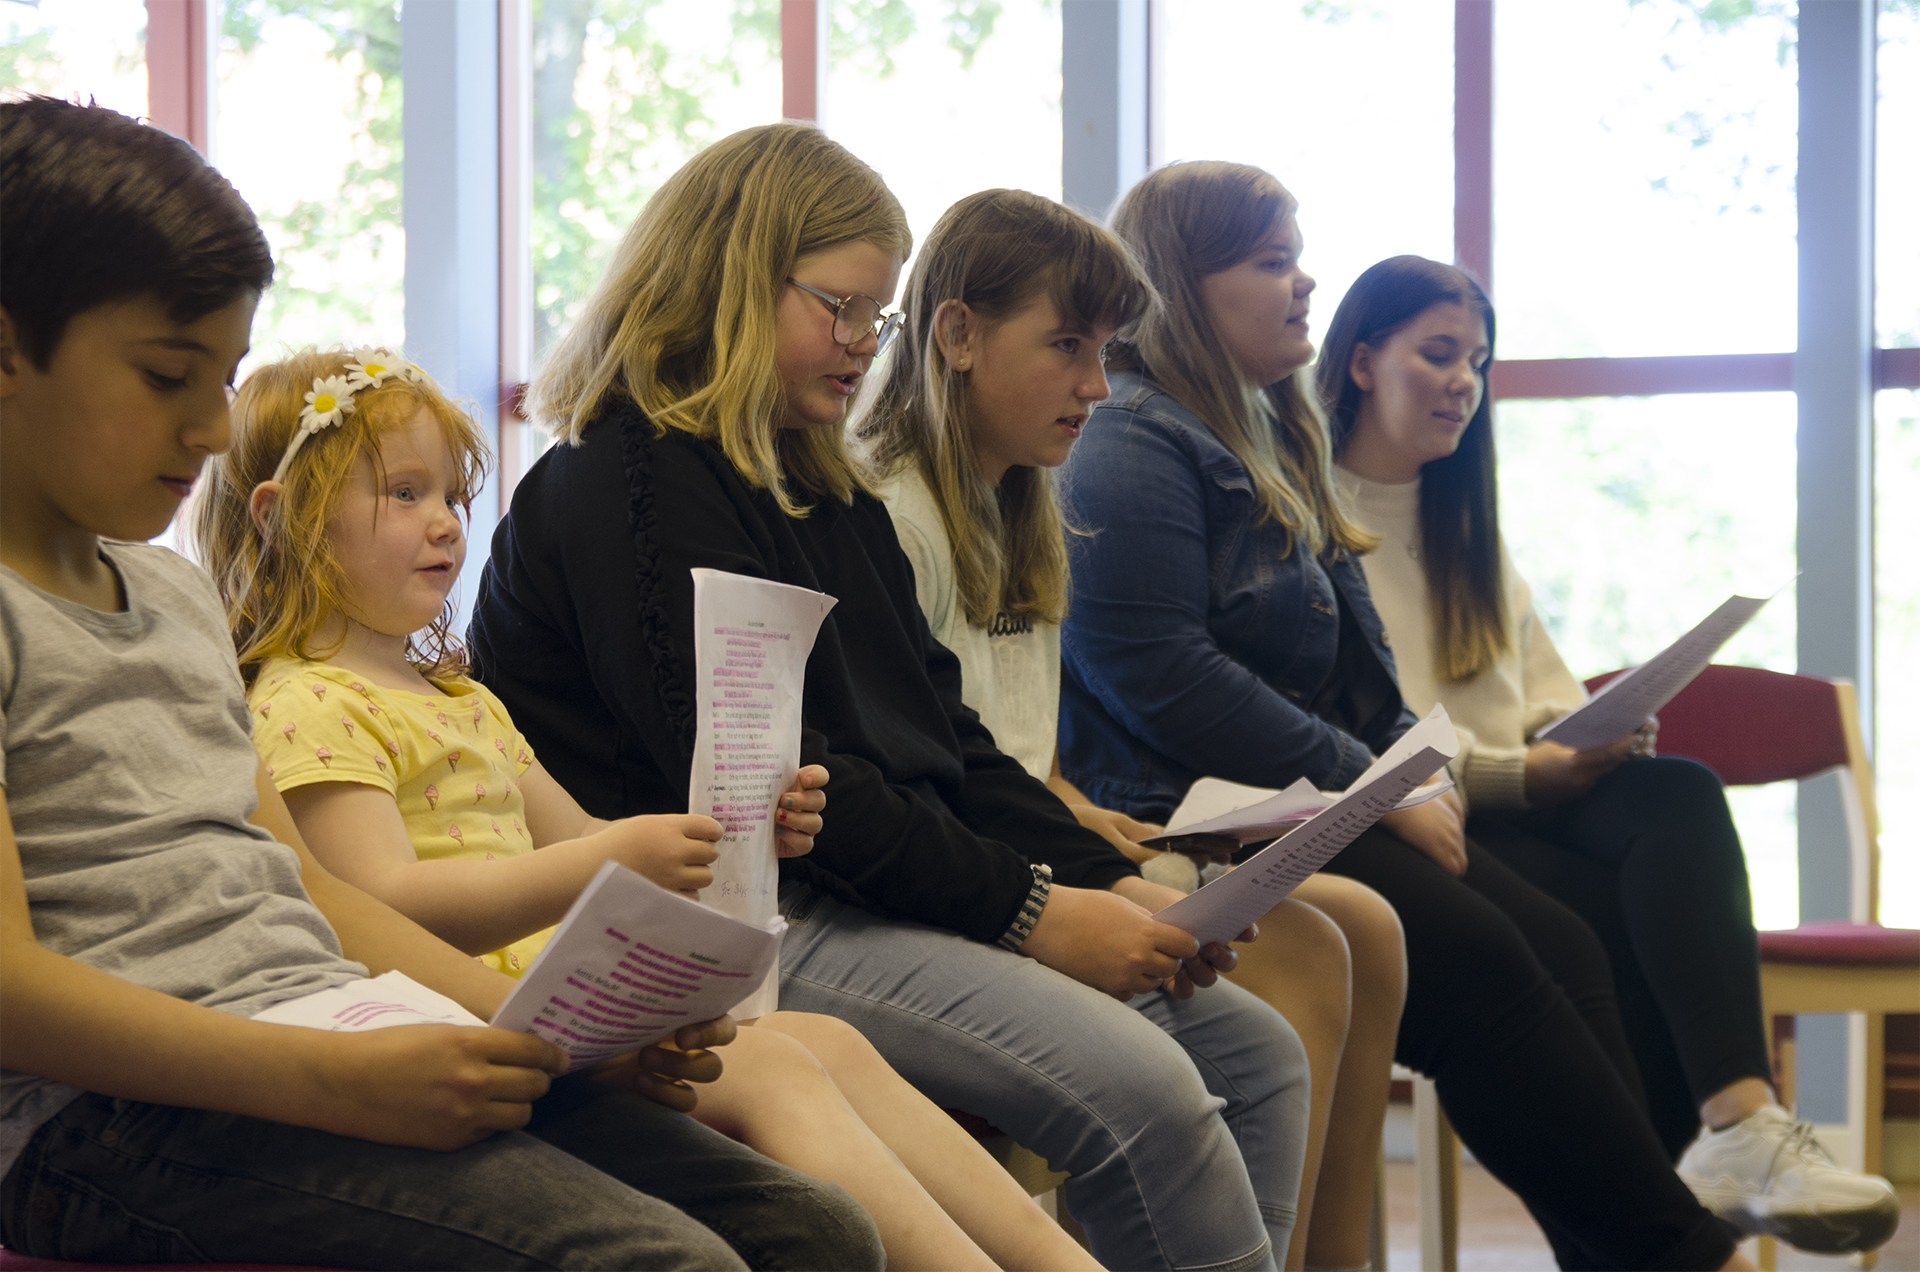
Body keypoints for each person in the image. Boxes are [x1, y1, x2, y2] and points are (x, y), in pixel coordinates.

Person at [0, 96, 883, 1271]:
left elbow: (310, 893)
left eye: (225, 379)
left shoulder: (168, 598)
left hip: (329, 1024)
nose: (213, 429)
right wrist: (332, 1080)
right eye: (170, 376)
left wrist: (539, 1037)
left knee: (808, 1228)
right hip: (104, 1120)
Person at [468, 123, 1313, 1272]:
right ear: (730, 278)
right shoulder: (630, 483)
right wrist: (1037, 911)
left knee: (1254, 1053)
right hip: (746, 926)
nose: (867, 345)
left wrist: (1110, 886)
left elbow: (948, 741)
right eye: (843, 309)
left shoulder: (821, 491)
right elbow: (781, 803)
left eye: (880, 315)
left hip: (855, 894)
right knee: (1149, 1091)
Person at [190, 343, 1099, 1272]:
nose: (446, 526)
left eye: (452, 498)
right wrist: (604, 863)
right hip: (467, 1029)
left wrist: (737, 828)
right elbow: (380, 904)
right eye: (405, 494)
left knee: (831, 1039)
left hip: (575, 1005)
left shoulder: (457, 696)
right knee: (780, 1064)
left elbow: (583, 836)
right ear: (283, 518)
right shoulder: (304, 703)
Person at [1055, 158, 1757, 1272]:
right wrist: (1371, 785)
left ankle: (1645, 1250)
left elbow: (1362, 664)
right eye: (1272, 261)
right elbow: (1159, 672)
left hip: (1300, 803)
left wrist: (1401, 774)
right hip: (1191, 818)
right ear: (1186, 283)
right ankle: (1684, 1253)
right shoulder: (1129, 437)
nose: (1303, 285)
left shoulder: (1265, 433)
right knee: (1480, 963)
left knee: (1567, 940)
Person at [851, 186, 1406, 1272]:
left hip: (1016, 853)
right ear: (955, 336)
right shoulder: (889, 517)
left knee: (1274, 1038)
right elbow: (915, 776)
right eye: (1067, 346)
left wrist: (1075, 817)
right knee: (1270, 966)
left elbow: (998, 753)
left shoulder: (1022, 507)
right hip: (941, 890)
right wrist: (1078, 865)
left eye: (1104, 350)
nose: (1097, 386)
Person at [1318, 253, 1901, 1255]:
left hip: (1522, 790)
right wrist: (1520, 770)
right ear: (1364, 360)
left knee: (1673, 792)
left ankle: (1740, 1120)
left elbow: (1539, 694)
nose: (1466, 379)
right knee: (1600, 931)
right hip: (1434, 814)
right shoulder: (1309, 521)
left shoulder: (1466, 523)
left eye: (1480, 362)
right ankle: (1655, 1226)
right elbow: (1356, 741)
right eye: (1441, 353)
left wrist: (1598, 733)